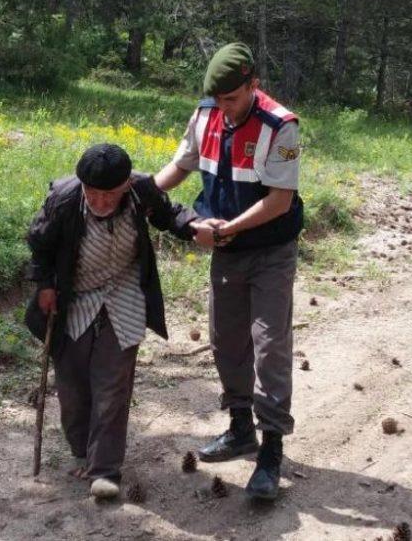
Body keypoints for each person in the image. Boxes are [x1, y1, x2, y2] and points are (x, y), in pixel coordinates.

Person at [155, 42, 303, 501]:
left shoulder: (281, 126)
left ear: (253, 86)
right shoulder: (205, 115)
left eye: (233, 99)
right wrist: (134, 194)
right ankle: (241, 427)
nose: (225, 108)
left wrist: (226, 230)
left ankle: (271, 449)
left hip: (270, 250)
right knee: (225, 339)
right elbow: (180, 167)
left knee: (269, 343)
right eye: (218, 100)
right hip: (227, 250)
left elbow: (279, 200)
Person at [25, 143, 196, 499]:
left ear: (125, 185)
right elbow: (39, 243)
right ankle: (82, 452)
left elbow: (169, 215)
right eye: (93, 194)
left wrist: (195, 226)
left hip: (124, 293)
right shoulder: (64, 199)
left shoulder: (140, 190)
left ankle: (104, 469)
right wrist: (44, 286)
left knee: (112, 384)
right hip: (75, 296)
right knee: (72, 385)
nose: (101, 202)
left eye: (110, 195)